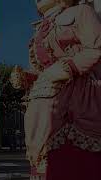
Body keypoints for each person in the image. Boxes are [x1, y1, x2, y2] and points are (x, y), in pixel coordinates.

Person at [10, 1, 101, 179]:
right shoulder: (42, 29)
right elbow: (43, 70)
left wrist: (71, 67)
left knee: (71, 162)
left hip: (76, 98)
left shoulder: (81, 12)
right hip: (40, 110)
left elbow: (96, 47)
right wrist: (27, 77)